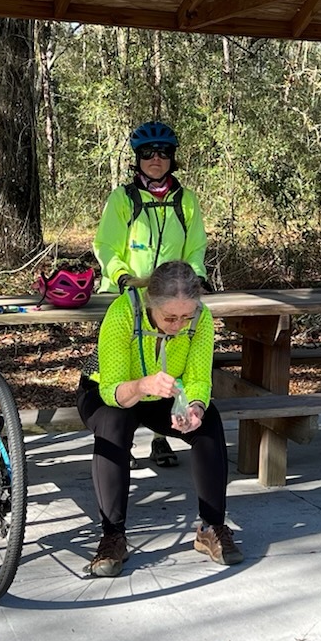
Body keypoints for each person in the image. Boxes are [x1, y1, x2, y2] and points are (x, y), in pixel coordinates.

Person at [77, 260, 242, 576]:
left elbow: (198, 378)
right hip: (108, 391)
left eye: (186, 317)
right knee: (115, 424)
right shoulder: (122, 313)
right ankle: (112, 536)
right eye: (170, 317)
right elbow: (112, 390)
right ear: (151, 304)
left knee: (209, 423)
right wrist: (142, 385)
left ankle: (211, 527)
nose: (178, 325)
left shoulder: (202, 318)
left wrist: (195, 407)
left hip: (162, 391)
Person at [93, 120, 210, 469]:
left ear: (173, 159)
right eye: (147, 153)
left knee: (169, 358)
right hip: (127, 295)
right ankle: (121, 434)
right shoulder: (124, 199)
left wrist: (195, 279)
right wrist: (122, 275)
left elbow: (196, 247)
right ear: (137, 158)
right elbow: (105, 245)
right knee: (117, 362)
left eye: (163, 153)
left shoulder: (185, 201)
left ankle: (162, 436)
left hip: (173, 295)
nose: (155, 159)